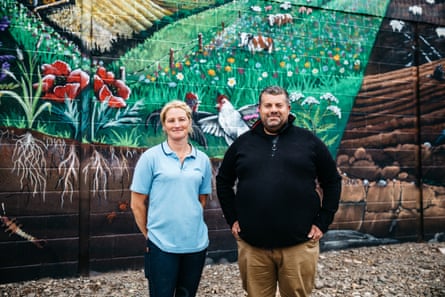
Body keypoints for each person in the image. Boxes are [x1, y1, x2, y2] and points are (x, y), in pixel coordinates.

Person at [216, 85, 342, 297]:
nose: (273, 110)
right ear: (260, 109)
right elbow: (223, 181)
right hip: (253, 246)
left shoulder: (309, 141)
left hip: (298, 245)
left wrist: (323, 221)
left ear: (287, 108)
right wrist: (232, 218)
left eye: (278, 105)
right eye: (268, 105)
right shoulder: (243, 144)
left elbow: (332, 181)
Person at [130, 100, 212, 297]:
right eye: (171, 120)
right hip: (161, 244)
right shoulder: (151, 158)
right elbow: (137, 203)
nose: (177, 124)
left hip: (195, 243)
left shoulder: (202, 160)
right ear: (164, 125)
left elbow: (201, 199)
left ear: (189, 122)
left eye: (182, 119)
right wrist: (150, 235)